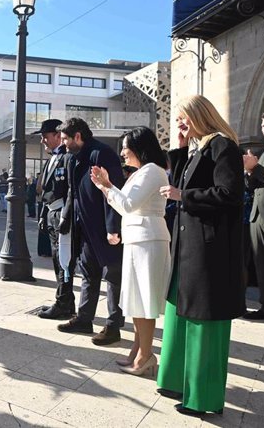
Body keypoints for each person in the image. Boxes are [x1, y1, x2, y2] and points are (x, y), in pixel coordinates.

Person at [158, 95, 245, 416]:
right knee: (178, 311)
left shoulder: (223, 146)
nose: (180, 123)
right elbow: (181, 182)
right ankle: (175, 380)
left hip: (209, 251)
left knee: (203, 320)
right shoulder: (200, 147)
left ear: (199, 116)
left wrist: (185, 196)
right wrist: (180, 148)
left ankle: (203, 399)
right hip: (188, 246)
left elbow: (230, 194)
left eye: (183, 118)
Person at [90, 127, 171, 376]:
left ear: (138, 147)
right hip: (139, 241)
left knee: (144, 301)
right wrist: (107, 187)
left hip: (148, 241)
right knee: (137, 300)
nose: (122, 152)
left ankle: (146, 355)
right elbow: (126, 203)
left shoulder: (152, 172)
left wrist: (107, 186)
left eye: (125, 147)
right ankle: (138, 350)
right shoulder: (142, 172)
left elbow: (127, 204)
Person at [57, 118, 125, 346]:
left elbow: (112, 190)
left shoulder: (102, 154)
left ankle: (113, 326)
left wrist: (113, 227)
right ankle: (84, 319)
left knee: (113, 277)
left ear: (78, 136)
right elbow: (72, 192)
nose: (63, 143)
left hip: (105, 230)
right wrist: (67, 218)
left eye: (66, 138)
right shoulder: (72, 159)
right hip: (84, 229)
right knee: (88, 274)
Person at [33, 119, 75, 320]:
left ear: (58, 136)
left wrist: (65, 216)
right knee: (57, 260)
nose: (42, 140)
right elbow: (46, 191)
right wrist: (43, 214)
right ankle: (66, 301)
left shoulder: (67, 157)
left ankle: (63, 303)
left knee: (63, 260)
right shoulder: (52, 158)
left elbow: (70, 191)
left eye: (45, 136)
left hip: (61, 214)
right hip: (51, 213)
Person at [242, 111, 264, 320]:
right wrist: (249, 172)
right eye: (263, 127)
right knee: (262, 265)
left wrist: (256, 168)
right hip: (257, 216)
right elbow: (253, 187)